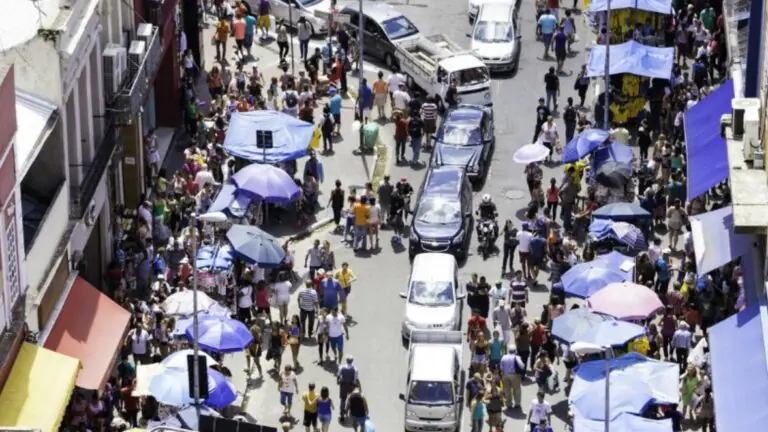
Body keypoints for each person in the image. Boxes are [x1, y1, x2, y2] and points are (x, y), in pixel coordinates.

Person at [337, 355, 359, 421]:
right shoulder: (355, 369)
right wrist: (355, 385)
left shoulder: (341, 367)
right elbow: (355, 379)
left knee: (343, 399)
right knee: (351, 398)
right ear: (352, 361)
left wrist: (338, 381)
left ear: (346, 360)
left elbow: (338, 375)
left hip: (343, 385)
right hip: (351, 385)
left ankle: (342, 413)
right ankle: (351, 411)